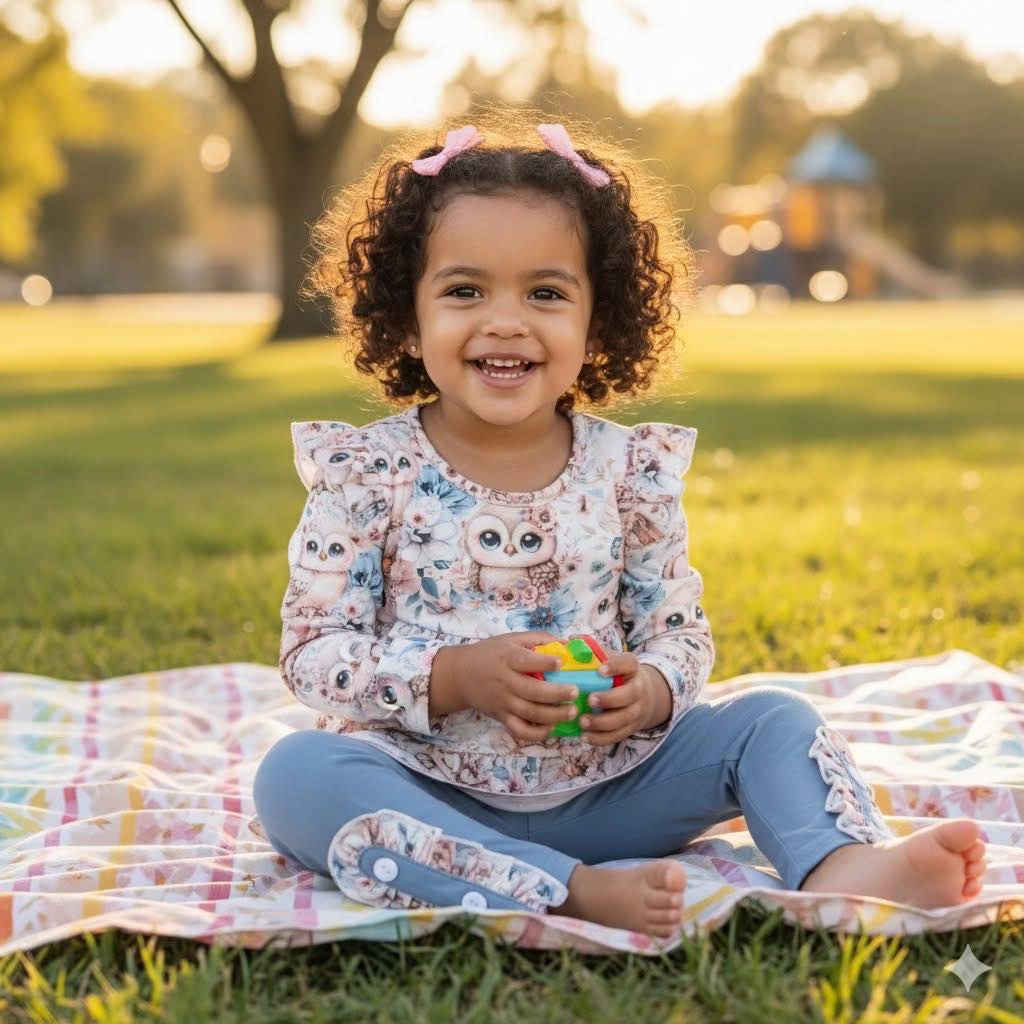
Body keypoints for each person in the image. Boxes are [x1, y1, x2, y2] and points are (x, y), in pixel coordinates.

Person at [252, 107, 986, 938]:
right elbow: (314, 654)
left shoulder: (630, 473)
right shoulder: (365, 473)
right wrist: (455, 677)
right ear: (407, 314)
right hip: (429, 793)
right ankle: (558, 890)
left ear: (598, 321)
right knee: (296, 775)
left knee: (772, 720)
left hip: (615, 790)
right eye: (464, 290)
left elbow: (679, 631)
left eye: (546, 292)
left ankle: (846, 865)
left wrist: (652, 690)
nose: (505, 320)